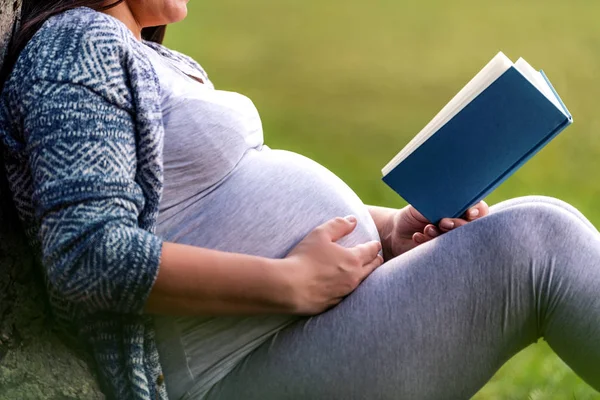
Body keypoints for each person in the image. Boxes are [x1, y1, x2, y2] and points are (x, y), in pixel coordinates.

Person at [0, 1, 598, 399]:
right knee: (537, 242)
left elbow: (225, 199)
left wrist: (391, 234)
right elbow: (87, 254)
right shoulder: (73, 44)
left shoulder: (154, 57)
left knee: (539, 223)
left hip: (292, 340)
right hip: (233, 372)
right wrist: (288, 282)